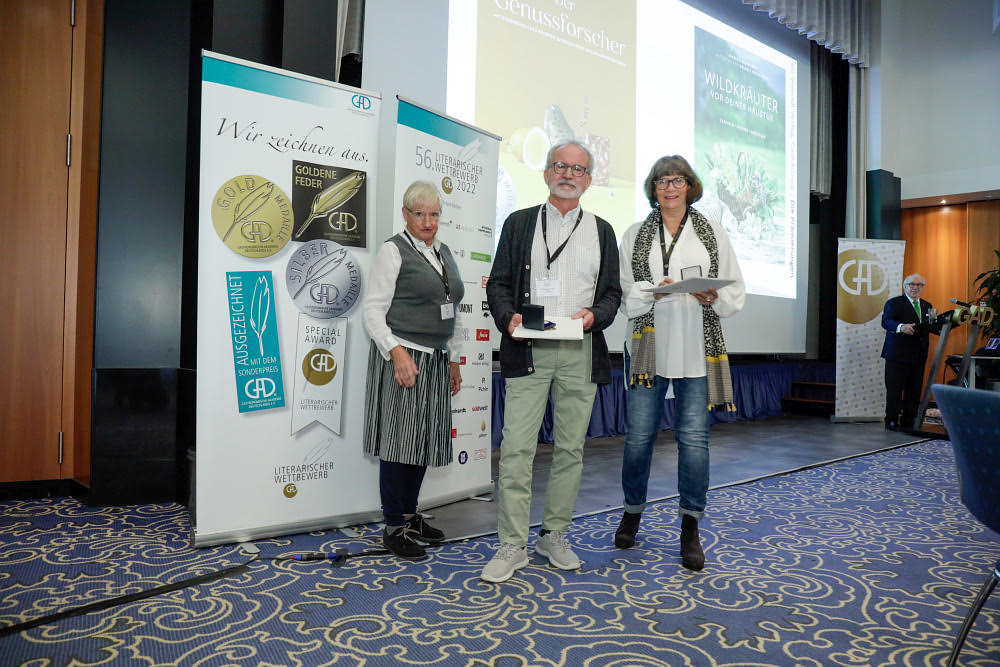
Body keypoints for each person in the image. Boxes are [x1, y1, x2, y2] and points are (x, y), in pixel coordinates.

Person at [481, 140, 622, 583]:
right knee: (516, 450)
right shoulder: (519, 223)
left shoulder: (602, 231)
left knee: (570, 450)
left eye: (578, 169)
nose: (568, 174)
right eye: (560, 165)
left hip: (579, 350)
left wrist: (595, 315)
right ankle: (512, 543)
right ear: (546, 173)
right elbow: (498, 284)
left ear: (589, 180)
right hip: (528, 348)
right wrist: (508, 318)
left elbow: (612, 295)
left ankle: (554, 535)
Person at [615, 155, 745, 571]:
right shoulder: (634, 234)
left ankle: (690, 525)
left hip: (696, 347)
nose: (669, 188)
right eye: (661, 181)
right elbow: (624, 293)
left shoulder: (713, 232)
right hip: (647, 347)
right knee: (638, 438)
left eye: (677, 180)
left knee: (694, 441)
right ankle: (632, 512)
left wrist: (712, 296)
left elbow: (734, 290)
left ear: (690, 186)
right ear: (653, 189)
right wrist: (652, 292)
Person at [362, 181, 464, 560]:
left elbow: (451, 309)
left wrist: (453, 357)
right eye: (419, 214)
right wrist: (396, 352)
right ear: (405, 214)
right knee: (399, 442)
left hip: (435, 359)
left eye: (434, 214)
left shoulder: (444, 252)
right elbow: (373, 311)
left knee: (420, 441)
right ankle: (393, 526)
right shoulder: (393, 251)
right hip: (403, 358)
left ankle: (409, 515)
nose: (427, 222)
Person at [881, 274, 932, 430]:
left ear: (923, 287)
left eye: (919, 285)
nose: (915, 287)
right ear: (905, 286)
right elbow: (886, 321)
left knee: (914, 391)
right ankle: (891, 420)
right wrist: (901, 327)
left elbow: (928, 326)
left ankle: (909, 420)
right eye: (911, 284)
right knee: (895, 390)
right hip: (898, 355)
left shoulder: (927, 305)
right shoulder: (894, 303)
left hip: (918, 355)